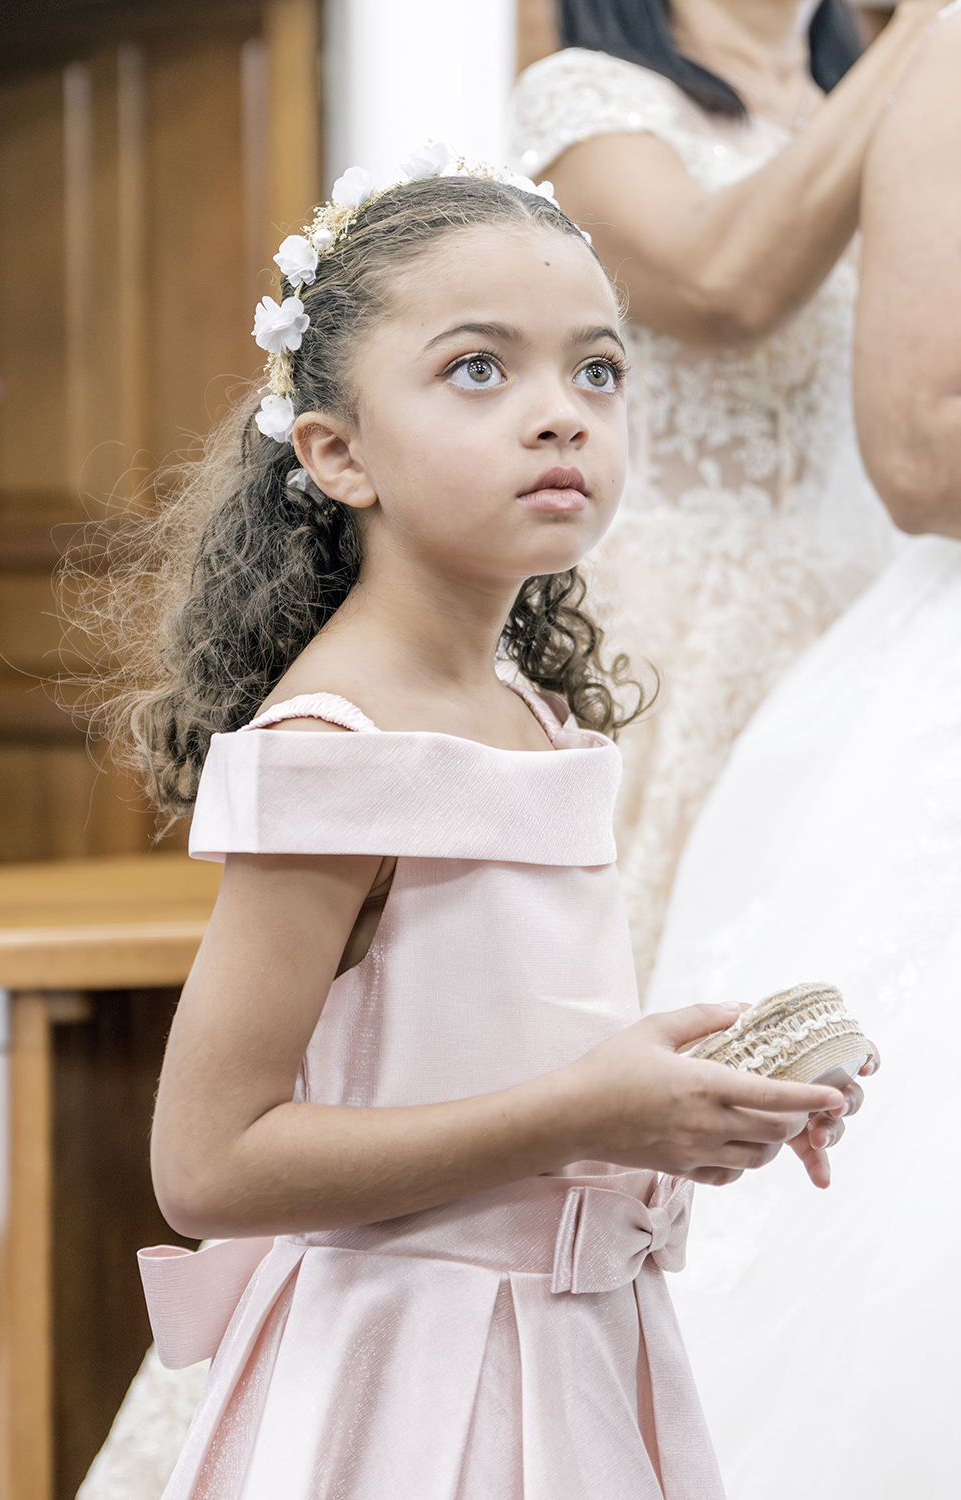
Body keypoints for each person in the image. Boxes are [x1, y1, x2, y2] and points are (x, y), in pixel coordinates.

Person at [73, 161, 859, 1499]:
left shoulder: (529, 713)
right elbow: (208, 1164)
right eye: (479, 371)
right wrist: (586, 1107)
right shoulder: (335, 747)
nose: (561, 415)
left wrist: (690, 1097)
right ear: (338, 452)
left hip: (578, 1357)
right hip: (416, 1385)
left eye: (597, 371)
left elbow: (487, 1044)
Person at [645, 9, 961, 1494]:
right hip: (713, 636)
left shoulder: (851, 76)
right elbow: (914, 439)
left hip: (831, 605)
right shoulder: (595, 102)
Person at [510, 0, 941, 990]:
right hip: (674, 648)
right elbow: (721, 286)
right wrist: (924, 27)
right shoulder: (589, 97)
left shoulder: (867, 95)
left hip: (868, 625)